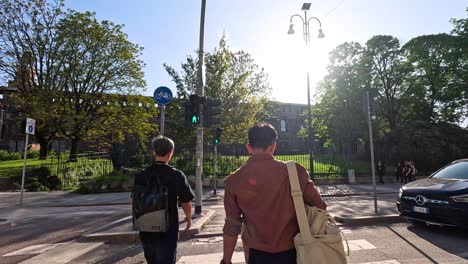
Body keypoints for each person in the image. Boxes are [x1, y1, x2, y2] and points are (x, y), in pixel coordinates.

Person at [221, 123, 326, 264]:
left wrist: (226, 260)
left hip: (256, 254)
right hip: (294, 251)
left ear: (248, 147)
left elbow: (231, 225)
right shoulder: (294, 172)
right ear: (273, 146)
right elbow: (320, 207)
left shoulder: (233, 180)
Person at [133, 136, 194, 264]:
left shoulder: (141, 175)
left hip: (146, 228)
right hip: (168, 229)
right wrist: (188, 217)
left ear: (153, 152)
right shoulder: (176, 175)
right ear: (171, 153)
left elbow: (134, 200)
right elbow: (186, 201)